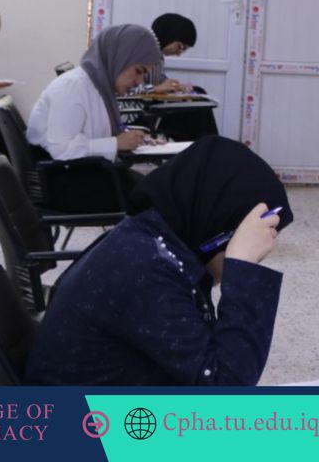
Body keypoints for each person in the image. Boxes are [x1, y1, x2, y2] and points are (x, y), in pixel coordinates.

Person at [25, 137, 291, 386]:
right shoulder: (144, 269)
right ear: (218, 233)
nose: (258, 255)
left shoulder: (150, 240)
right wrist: (243, 267)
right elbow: (227, 389)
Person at [28, 23, 164, 164]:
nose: (139, 81)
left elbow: (97, 135)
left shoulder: (101, 88)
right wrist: (116, 143)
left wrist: (134, 140)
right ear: (118, 58)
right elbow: (61, 150)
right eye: (138, 71)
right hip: (64, 174)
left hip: (86, 170)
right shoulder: (73, 87)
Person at [139, 12, 220, 141]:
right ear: (169, 35)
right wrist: (155, 89)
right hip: (141, 111)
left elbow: (157, 78)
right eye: (180, 46)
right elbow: (126, 90)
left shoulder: (157, 54)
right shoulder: (141, 51)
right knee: (195, 112)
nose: (179, 53)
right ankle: (208, 146)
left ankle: (208, 145)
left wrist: (175, 86)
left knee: (198, 94)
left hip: (152, 104)